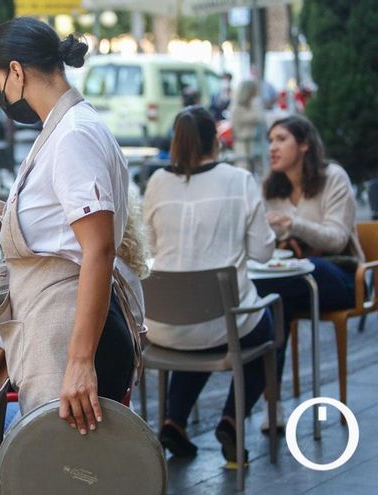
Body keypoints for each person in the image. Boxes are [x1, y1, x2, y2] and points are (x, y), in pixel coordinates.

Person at [0, 17, 136, 436]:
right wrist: (7, 216)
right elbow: (68, 225)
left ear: (16, 72)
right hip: (59, 330)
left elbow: (98, 249)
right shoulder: (66, 127)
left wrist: (79, 362)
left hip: (69, 336)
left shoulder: (74, 134)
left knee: (60, 470)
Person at [0, 181, 149, 495]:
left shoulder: (76, 278)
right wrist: (7, 219)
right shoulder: (123, 275)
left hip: (55, 413)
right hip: (104, 411)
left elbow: (49, 337)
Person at [142, 106, 276, 464]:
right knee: (265, 330)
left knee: (198, 332)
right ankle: (232, 420)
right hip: (222, 324)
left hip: (162, 328)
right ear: (217, 140)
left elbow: (152, 248)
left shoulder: (156, 182)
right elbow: (263, 251)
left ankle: (174, 421)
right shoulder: (239, 180)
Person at [253, 115, 363, 429]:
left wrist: (293, 225)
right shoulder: (271, 188)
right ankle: (272, 406)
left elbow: (337, 238)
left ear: (304, 145)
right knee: (275, 301)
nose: (272, 147)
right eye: (271, 140)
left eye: (281, 139)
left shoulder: (333, 177)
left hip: (341, 277)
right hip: (294, 282)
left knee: (285, 285)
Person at [231, 80, 265, 174]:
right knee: (244, 170)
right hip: (242, 144)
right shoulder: (238, 109)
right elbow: (258, 117)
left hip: (252, 144)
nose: (256, 94)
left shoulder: (249, 106)